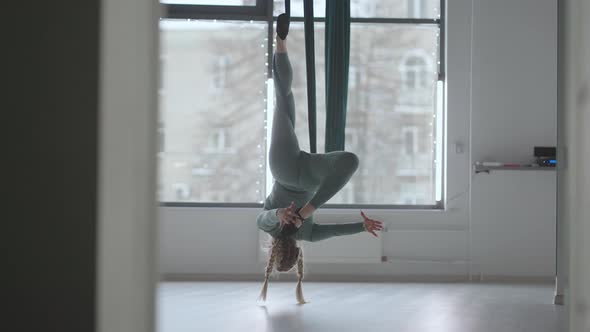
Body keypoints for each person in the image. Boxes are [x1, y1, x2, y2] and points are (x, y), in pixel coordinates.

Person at [257, 13, 383, 304]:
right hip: (286, 167)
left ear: (297, 252)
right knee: (283, 98)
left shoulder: (302, 234)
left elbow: (336, 230)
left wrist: (289, 214)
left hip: (299, 174)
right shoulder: (271, 229)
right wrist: (288, 214)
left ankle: (280, 41)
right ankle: (280, 43)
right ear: (274, 248)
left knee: (349, 160)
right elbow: (262, 218)